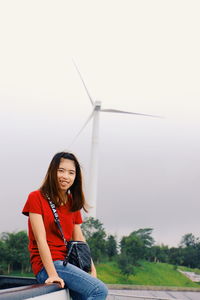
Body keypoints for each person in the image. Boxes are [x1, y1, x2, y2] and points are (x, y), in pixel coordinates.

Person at [22, 152, 108, 300]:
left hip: (68, 264)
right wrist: (52, 274)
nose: (65, 176)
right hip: (47, 266)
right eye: (61, 170)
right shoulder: (36, 197)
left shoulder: (72, 201)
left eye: (71, 173)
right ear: (52, 171)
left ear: (76, 177)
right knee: (99, 291)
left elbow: (79, 239)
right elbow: (41, 240)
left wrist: (91, 269)